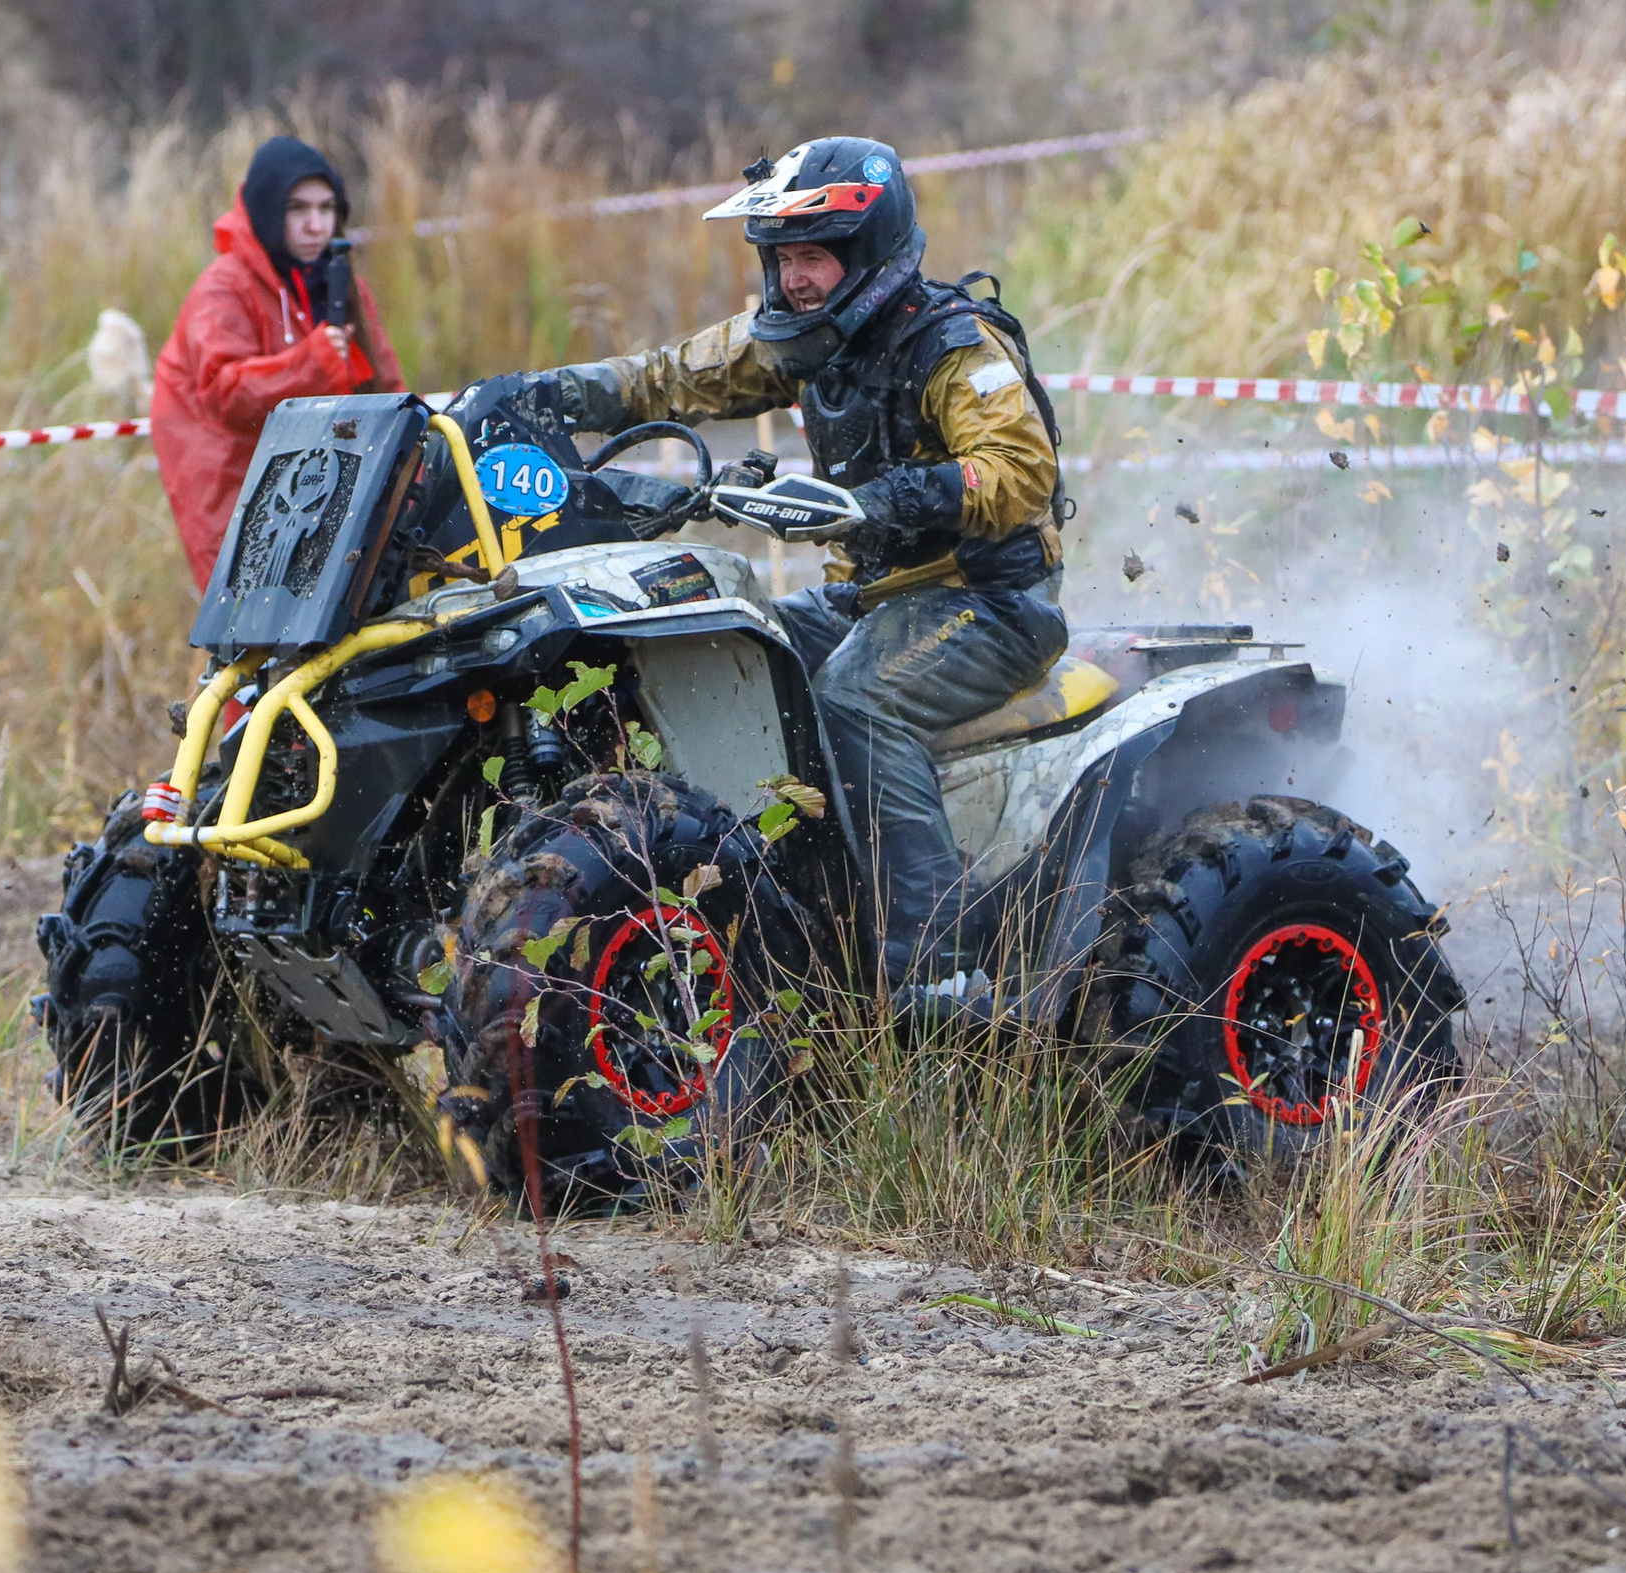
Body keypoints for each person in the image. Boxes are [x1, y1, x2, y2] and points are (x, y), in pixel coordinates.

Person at [449, 137, 1067, 997]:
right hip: (869, 597)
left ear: (867, 254)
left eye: (812, 257)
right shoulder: (805, 341)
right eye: (782, 260)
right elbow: (671, 377)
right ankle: (780, 906)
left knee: (858, 695)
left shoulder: (956, 347)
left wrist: (876, 504)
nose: (794, 279)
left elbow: (1019, 470)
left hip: (990, 603)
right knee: (732, 649)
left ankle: (934, 962)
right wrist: (543, 392)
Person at [151, 136, 406, 589]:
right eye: (298, 209)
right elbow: (224, 391)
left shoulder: (344, 284)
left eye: (327, 209)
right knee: (255, 636)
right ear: (270, 212)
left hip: (321, 481)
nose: (315, 225)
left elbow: (387, 387)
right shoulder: (224, 288)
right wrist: (311, 364)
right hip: (233, 483)